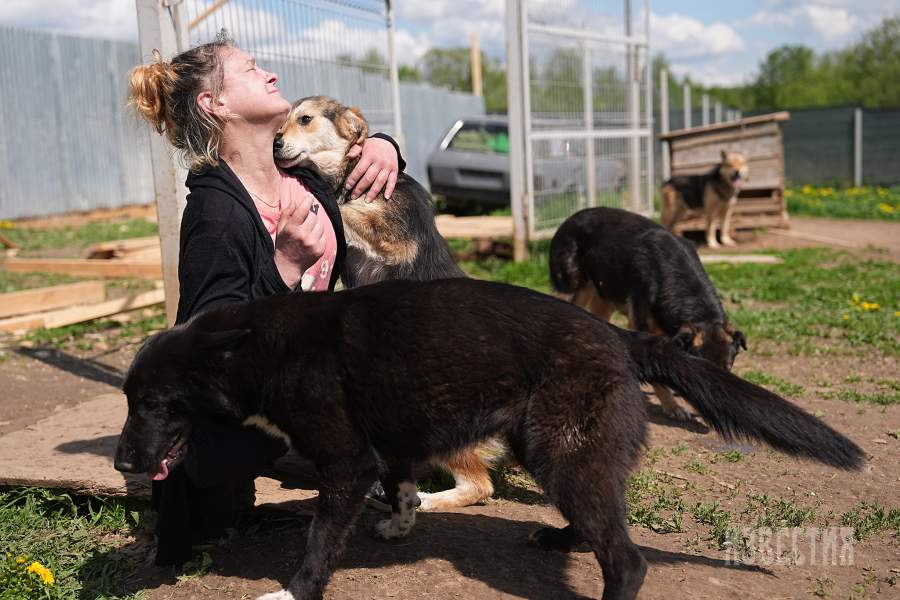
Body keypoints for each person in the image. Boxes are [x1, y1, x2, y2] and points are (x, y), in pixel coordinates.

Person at [128, 32, 404, 565]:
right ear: (216, 104)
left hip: (300, 383)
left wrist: (384, 145)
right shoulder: (216, 216)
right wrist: (285, 268)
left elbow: (357, 152)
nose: (271, 75)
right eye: (251, 70)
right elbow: (210, 346)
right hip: (238, 412)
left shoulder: (299, 176)